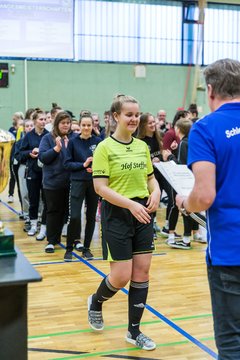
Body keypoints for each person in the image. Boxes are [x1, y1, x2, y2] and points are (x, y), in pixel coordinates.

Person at [175, 58, 240, 359]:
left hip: (230, 251)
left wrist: (184, 204)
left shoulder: (206, 129)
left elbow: (203, 196)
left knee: (231, 343)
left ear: (211, 90)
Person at [88, 95, 160, 351]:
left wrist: (156, 191)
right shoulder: (104, 148)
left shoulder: (142, 146)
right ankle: (96, 301)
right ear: (115, 116)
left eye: (136, 114)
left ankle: (134, 331)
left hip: (143, 213)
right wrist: (130, 204)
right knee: (120, 277)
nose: (133, 119)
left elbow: (150, 178)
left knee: (141, 273)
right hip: (117, 214)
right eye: (128, 114)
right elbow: (100, 188)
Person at [63, 112, 102, 261]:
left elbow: (105, 161)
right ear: (79, 126)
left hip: (93, 183)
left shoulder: (98, 141)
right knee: (74, 217)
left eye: (89, 125)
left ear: (93, 126)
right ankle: (69, 248)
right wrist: (83, 165)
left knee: (91, 216)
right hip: (77, 182)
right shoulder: (73, 142)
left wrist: (96, 168)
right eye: (84, 125)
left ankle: (86, 248)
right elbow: (67, 164)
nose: (86, 128)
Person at [39, 111, 73, 253]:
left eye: (68, 123)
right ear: (57, 124)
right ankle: (51, 241)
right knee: (53, 211)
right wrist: (57, 149)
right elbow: (43, 158)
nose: (66, 125)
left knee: (65, 211)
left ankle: (60, 238)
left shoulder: (73, 138)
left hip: (69, 182)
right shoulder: (47, 138)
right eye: (63, 123)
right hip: (52, 183)